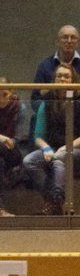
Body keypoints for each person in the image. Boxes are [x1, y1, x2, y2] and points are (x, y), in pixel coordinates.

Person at [23, 63, 80, 215]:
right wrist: (46, 148)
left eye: (66, 76)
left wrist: (66, 147)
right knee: (29, 161)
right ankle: (55, 200)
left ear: (73, 80)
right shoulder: (46, 102)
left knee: (60, 157)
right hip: (53, 149)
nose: (62, 79)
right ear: (54, 79)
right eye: (59, 76)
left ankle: (55, 201)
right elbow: (38, 136)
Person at [32, 25, 80, 111]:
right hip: (49, 116)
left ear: (78, 42)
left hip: (77, 117)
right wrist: (53, 112)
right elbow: (35, 99)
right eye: (65, 37)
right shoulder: (44, 65)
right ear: (57, 41)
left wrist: (70, 112)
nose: (69, 41)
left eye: (73, 38)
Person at [0, 78, 26, 217]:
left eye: (4, 94)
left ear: (11, 93)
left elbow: (19, 137)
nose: (1, 98)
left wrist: (6, 141)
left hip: (13, 151)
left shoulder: (19, 107)